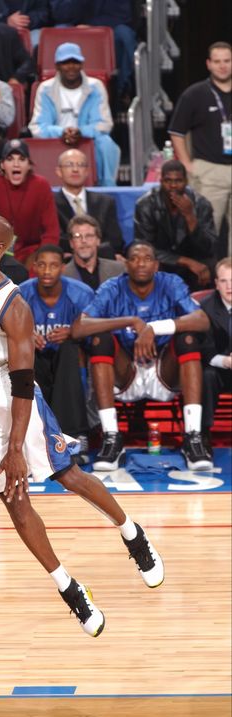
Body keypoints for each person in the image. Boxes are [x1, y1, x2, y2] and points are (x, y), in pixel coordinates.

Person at [0, 118, 164, 638]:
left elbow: (24, 383)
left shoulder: (14, 305)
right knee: (14, 499)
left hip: (4, 393)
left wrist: (16, 447)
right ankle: (68, 585)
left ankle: (131, 531)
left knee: (65, 473)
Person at [71, 241, 213, 472]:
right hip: (126, 372)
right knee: (101, 340)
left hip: (164, 370)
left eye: (147, 258)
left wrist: (154, 328)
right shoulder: (112, 288)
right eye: (135, 258)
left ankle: (192, 437)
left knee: (187, 339)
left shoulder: (171, 283)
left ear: (156, 265)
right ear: (126, 264)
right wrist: (131, 321)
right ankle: (111, 437)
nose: (141, 263)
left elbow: (202, 321)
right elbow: (78, 328)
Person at [19, 245, 94, 463]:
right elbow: (3, 330)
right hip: (36, 361)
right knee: (25, 351)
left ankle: (75, 435)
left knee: (70, 348)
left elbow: (97, 330)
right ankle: (33, 439)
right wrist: (26, 336)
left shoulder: (81, 294)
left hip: (70, 363)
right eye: (41, 265)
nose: (47, 271)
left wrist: (73, 332)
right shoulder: (21, 294)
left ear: (62, 268)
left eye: (53, 266)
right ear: (34, 267)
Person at [168, 42, 231, 255]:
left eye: (227, 61)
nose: (222, 66)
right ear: (208, 64)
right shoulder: (195, 94)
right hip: (209, 170)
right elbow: (176, 131)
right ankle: (209, 282)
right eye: (217, 61)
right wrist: (187, 164)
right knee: (206, 231)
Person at [28, 42, 121, 187]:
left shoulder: (95, 87)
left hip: (86, 139)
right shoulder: (46, 89)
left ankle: (107, 188)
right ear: (57, 66)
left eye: (75, 62)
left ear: (82, 64)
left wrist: (81, 132)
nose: (71, 67)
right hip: (56, 139)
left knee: (107, 143)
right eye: (65, 63)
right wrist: (61, 132)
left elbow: (104, 124)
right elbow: (37, 127)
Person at [0, 139, 60, 268]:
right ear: (2, 164)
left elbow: (51, 231)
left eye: (21, 159)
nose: (16, 164)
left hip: (31, 254)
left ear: (29, 165)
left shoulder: (41, 186)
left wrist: (41, 256)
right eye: (10, 159)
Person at [134, 160, 217, 290]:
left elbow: (208, 248)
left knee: (209, 265)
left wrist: (190, 217)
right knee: (144, 262)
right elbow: (144, 248)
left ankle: (203, 306)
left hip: (194, 258)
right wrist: (186, 261)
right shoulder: (146, 205)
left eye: (178, 181)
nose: (173, 185)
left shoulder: (201, 204)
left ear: (186, 182)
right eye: (168, 181)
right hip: (161, 261)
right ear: (161, 182)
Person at [49, 0, 142, 107]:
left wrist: (92, 26)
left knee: (125, 35)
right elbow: (59, 14)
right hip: (72, 27)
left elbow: (121, 15)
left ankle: (122, 92)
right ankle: (59, 94)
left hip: (108, 28)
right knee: (59, 30)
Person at [54, 148, 125, 257]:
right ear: (59, 171)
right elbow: (56, 240)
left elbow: (115, 241)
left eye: (81, 165)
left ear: (87, 171)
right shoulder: (51, 203)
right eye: (69, 165)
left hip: (102, 261)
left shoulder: (105, 202)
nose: (75, 169)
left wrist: (90, 252)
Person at [199, 257, 232, 438]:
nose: (229, 287)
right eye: (224, 281)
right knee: (206, 375)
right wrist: (226, 361)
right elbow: (204, 348)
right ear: (216, 284)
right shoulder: (205, 308)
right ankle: (203, 434)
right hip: (218, 368)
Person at [63, 214, 125, 290]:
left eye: (89, 235)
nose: (84, 241)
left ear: (98, 240)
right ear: (71, 243)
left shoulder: (118, 271)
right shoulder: (62, 277)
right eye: (78, 236)